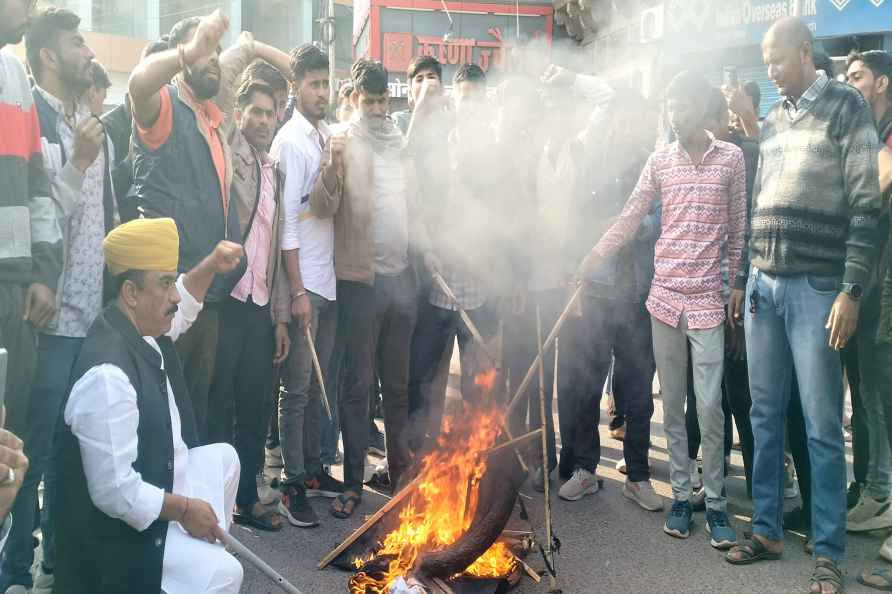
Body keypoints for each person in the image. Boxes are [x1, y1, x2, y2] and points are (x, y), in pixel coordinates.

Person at [725, 18, 881, 594]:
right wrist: (743, 277)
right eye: (764, 59)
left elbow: (866, 207)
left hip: (818, 289)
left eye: (777, 57)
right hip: (764, 289)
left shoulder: (845, 109)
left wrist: (851, 289)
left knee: (820, 426)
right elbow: (758, 202)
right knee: (765, 419)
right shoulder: (771, 120)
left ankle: (828, 551)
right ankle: (765, 530)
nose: (768, 69)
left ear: (805, 51)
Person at [577, 70, 747, 549]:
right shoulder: (659, 161)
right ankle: (679, 495)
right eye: (670, 106)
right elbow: (631, 216)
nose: (675, 115)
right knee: (671, 406)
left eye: (682, 105)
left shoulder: (731, 159)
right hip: (665, 300)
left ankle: (714, 503)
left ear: (702, 108)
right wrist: (593, 255)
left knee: (710, 408)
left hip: (710, 304)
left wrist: (735, 284)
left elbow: (738, 230)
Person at [54, 218, 245, 594]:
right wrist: (187, 510)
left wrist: (209, 264)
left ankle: (193, 554)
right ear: (130, 292)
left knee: (225, 458)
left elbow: (186, 304)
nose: (174, 295)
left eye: (171, 281)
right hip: (117, 546)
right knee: (225, 574)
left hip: (158, 487)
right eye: (164, 283)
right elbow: (115, 494)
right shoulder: (107, 377)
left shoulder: (142, 326)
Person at [2, 9, 113, 593]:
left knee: (75, 451)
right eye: (76, 42)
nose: (86, 51)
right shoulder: (33, 119)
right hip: (45, 322)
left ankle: (59, 562)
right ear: (48, 54)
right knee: (29, 450)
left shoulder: (91, 122)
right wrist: (78, 163)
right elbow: (44, 211)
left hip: (90, 320)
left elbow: (107, 222)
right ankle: (14, 570)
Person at [310, 59, 433, 518]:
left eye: (384, 100)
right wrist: (333, 166)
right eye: (371, 100)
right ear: (357, 98)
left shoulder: (401, 145)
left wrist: (430, 251)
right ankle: (355, 483)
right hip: (362, 282)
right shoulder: (342, 141)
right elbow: (322, 207)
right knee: (358, 386)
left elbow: (413, 209)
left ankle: (400, 477)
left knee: (397, 388)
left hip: (402, 279)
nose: (379, 108)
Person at [547, 68, 663, 513]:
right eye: (626, 117)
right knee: (586, 385)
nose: (631, 125)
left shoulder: (653, 163)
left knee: (636, 391)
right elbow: (572, 223)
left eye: (640, 118)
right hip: (594, 290)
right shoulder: (589, 161)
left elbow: (660, 219)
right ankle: (584, 469)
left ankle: (637, 475)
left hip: (636, 293)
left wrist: (631, 229)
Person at [128, 11, 245, 441]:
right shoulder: (165, 106)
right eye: (204, 52)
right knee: (163, 422)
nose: (212, 59)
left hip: (204, 293)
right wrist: (187, 52)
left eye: (215, 51)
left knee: (192, 415)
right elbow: (137, 84)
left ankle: (185, 507)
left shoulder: (211, 119)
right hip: (168, 291)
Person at [205, 79, 290, 532]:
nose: (261, 119)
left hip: (260, 308)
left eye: (269, 112)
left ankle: (245, 500)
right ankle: (213, 505)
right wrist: (255, 47)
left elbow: (274, 252)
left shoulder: (277, 171)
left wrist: (279, 317)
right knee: (220, 409)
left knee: (255, 408)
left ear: (279, 117)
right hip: (228, 302)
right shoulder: (233, 156)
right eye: (253, 111)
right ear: (239, 115)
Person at [270, 44, 344, 528]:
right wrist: (297, 292)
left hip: (330, 280)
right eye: (314, 84)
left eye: (326, 83)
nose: (323, 91)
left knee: (320, 385)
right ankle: (291, 483)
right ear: (296, 87)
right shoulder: (290, 142)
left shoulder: (325, 136)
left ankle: (316, 469)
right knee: (296, 389)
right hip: (305, 286)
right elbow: (287, 227)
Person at [407, 62, 495, 455]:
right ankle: (419, 460)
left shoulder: (495, 151)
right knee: (425, 381)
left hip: (477, 286)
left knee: (478, 382)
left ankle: (471, 462)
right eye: (463, 103)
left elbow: (507, 215)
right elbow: (412, 195)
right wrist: (427, 245)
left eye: (477, 104)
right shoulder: (435, 145)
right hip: (437, 284)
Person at [844, 49, 892, 592]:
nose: (848, 83)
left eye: (857, 77)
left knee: (880, 395)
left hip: (886, 286)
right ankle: (875, 489)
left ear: (881, 82)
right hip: (872, 284)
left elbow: (876, 183)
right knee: (870, 395)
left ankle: (880, 493)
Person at [392, 55, 444, 135]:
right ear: (410, 90)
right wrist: (419, 108)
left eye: (431, 77)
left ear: (441, 86)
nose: (426, 84)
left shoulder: (449, 121)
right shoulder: (399, 120)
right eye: (419, 79)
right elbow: (404, 147)